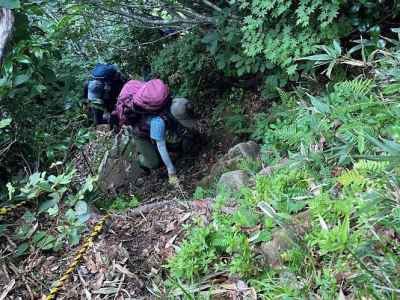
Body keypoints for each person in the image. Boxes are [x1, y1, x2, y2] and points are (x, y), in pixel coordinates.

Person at [112, 79, 197, 186]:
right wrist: (172, 173)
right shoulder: (159, 122)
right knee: (155, 163)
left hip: (151, 125)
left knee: (176, 144)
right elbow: (161, 146)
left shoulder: (172, 102)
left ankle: (157, 146)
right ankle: (140, 160)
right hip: (140, 132)